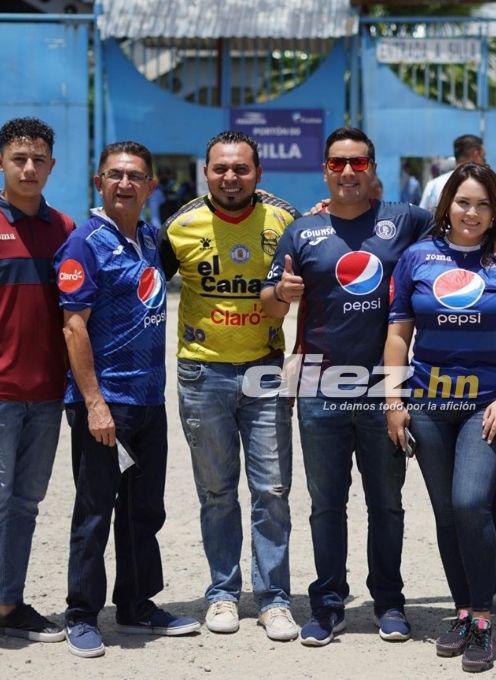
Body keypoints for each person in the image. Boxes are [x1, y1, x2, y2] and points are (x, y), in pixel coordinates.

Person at [261, 127, 433, 647]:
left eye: (358, 162)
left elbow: (466, 228)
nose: (348, 172)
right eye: (338, 163)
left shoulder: (406, 219)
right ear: (325, 171)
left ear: (372, 168)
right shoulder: (303, 231)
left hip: (385, 387)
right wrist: (281, 293)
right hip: (320, 388)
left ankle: (390, 602)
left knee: (386, 503)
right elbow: (268, 304)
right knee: (326, 505)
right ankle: (328, 604)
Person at [383, 162, 496, 672]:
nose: (471, 213)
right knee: (447, 514)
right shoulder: (416, 257)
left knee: (470, 502)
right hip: (428, 404)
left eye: (483, 205)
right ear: (446, 203)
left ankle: (484, 620)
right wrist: (394, 401)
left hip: (487, 404)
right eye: (463, 202)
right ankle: (464, 611)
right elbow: (398, 334)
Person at [56, 141, 200, 658]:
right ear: (99, 182)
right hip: (105, 404)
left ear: (150, 186)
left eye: (135, 176)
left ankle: (136, 605)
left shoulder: (150, 238)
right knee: (95, 510)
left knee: (144, 509)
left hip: (148, 401)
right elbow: (73, 328)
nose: (124, 183)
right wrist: (94, 403)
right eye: (115, 175)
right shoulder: (84, 244)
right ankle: (81, 614)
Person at [159, 131, 300, 641]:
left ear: (259, 173)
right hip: (203, 374)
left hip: (265, 370)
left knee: (272, 491)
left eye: (241, 168)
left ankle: (274, 599)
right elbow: (140, 290)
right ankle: (222, 593)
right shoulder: (178, 226)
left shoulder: (287, 221)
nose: (230, 177)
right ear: (206, 173)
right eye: (220, 168)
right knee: (217, 492)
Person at [0, 117, 73, 666]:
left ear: (52, 165)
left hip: (46, 395)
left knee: (26, 504)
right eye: (19, 159)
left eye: (38, 159)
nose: (29, 168)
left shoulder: (63, 228)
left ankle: (11, 606)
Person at [419, 134, 486, 211]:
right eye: (484, 158)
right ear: (476, 154)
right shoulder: (484, 185)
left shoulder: (433, 185)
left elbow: (421, 214)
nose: (484, 162)